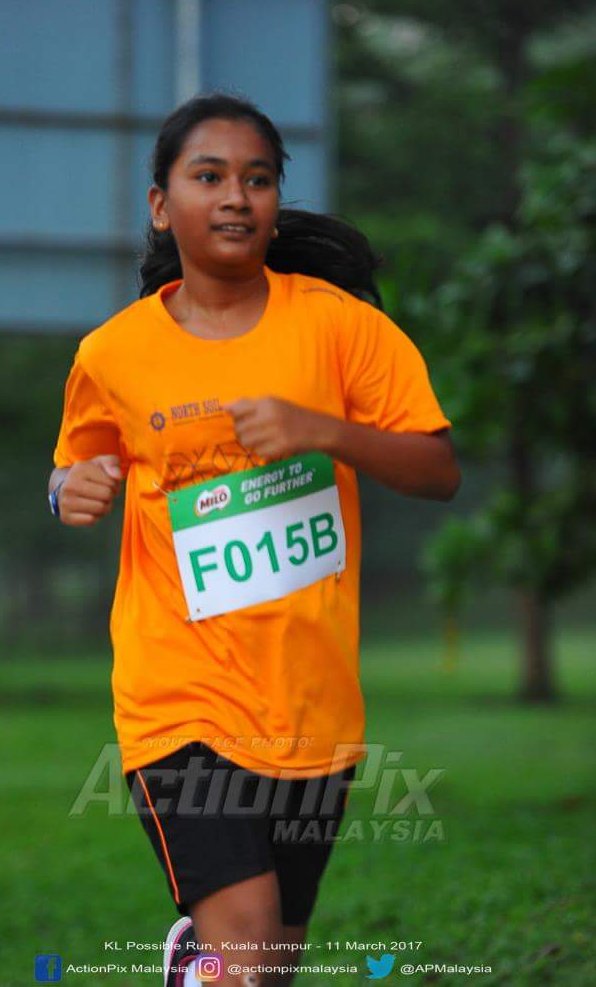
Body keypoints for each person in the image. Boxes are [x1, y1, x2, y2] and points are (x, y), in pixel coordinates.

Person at [48, 92, 460, 987]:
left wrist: (325, 431)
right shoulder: (112, 354)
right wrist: (63, 490)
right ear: (161, 204)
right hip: (175, 698)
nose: (236, 196)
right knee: (245, 960)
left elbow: (437, 469)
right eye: (209, 177)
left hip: (311, 705)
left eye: (257, 178)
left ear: (275, 199)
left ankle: (195, 965)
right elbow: (74, 462)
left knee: (266, 967)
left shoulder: (340, 327)